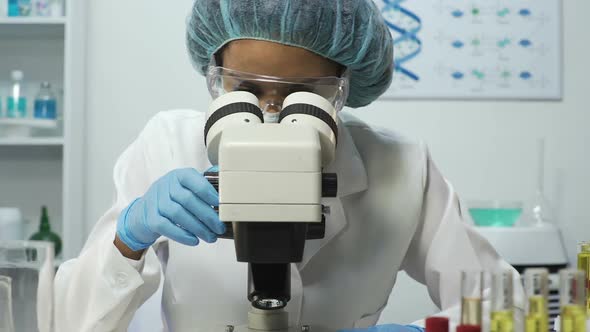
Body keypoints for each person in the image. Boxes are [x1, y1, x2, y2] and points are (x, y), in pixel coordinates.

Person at [55, 1, 524, 331]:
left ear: (343, 85)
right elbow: (70, 322)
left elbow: (510, 309)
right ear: (214, 73)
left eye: (304, 94)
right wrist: (127, 240)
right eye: (248, 88)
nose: (272, 112)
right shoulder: (168, 143)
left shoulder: (401, 166)